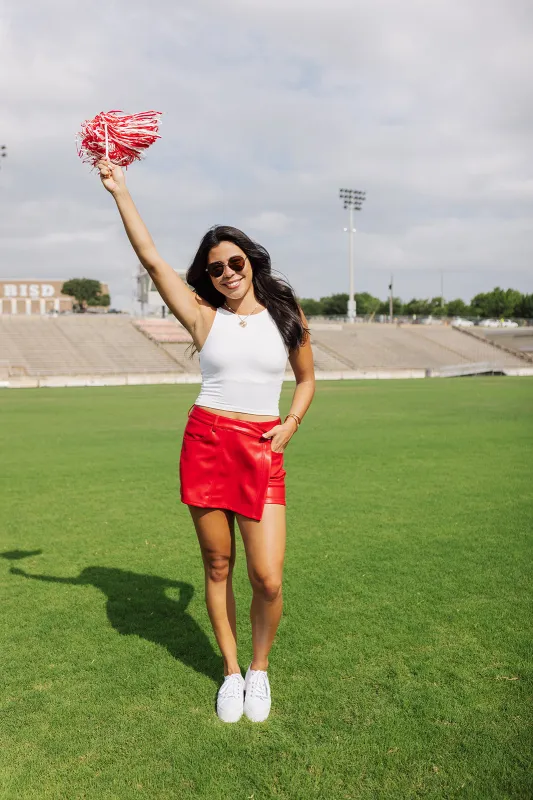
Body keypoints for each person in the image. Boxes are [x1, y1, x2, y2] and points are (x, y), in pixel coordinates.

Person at [97, 158, 316, 723]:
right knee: (217, 567)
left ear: (252, 260)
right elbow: (149, 256)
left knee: (266, 576)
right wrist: (120, 189)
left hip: (262, 447)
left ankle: (261, 671)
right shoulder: (201, 316)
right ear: (208, 275)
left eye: (235, 261)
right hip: (207, 442)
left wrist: (291, 422)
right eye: (216, 268)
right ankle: (231, 672)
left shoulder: (288, 314)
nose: (227, 273)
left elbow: (308, 379)